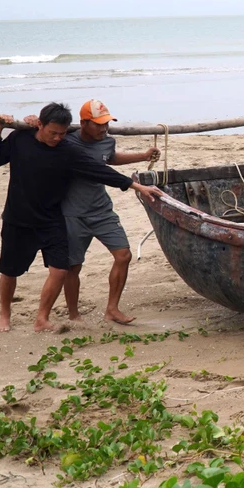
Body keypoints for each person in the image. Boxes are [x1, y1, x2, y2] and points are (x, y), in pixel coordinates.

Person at [0, 103, 160, 333]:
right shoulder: (21, 138)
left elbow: (101, 170)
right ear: (40, 124)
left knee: (59, 270)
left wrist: (137, 186)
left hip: (52, 218)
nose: (57, 138)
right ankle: (5, 316)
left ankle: (41, 319)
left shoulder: (67, 150)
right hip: (18, 218)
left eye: (62, 133)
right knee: (10, 271)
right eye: (53, 133)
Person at [54, 100, 159, 325]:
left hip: (102, 210)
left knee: (123, 255)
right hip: (73, 214)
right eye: (98, 124)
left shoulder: (106, 142)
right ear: (83, 123)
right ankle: (74, 314)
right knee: (73, 266)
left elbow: (110, 159)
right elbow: (43, 133)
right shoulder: (66, 142)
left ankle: (112, 309)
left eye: (107, 124)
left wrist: (143, 156)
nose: (104, 129)